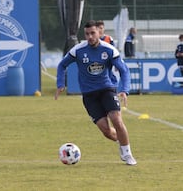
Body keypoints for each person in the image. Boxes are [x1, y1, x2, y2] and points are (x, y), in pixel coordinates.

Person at [55, 20, 137, 165]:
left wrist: (125, 90)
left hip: (107, 89)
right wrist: (61, 84)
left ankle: (127, 154)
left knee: (116, 119)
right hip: (89, 95)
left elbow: (124, 70)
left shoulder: (109, 50)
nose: (90, 37)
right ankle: (122, 141)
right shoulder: (78, 50)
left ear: (99, 32)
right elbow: (62, 65)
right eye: (87, 34)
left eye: (93, 33)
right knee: (106, 131)